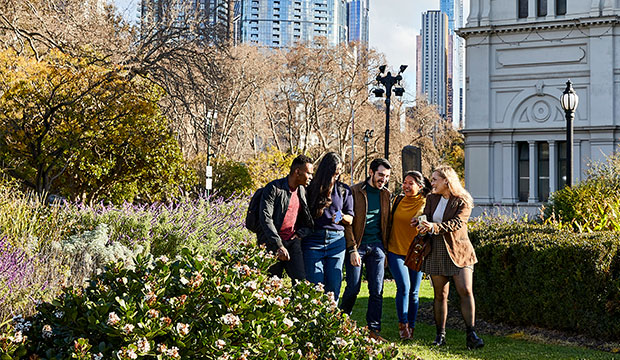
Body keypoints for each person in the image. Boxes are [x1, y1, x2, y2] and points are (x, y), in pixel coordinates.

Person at [413, 165, 484, 349]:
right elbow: (427, 216)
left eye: (435, 179)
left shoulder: (463, 201)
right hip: (436, 250)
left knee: (466, 290)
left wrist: (433, 227)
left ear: (446, 180)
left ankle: (471, 334)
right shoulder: (431, 198)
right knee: (440, 295)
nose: (432, 182)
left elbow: (457, 223)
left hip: (459, 251)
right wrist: (419, 220)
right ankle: (440, 336)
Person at [339, 158, 392, 342]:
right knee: (353, 288)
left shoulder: (386, 195)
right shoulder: (354, 191)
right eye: (380, 175)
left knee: (377, 290)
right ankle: (339, 325)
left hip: (377, 248)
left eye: (386, 177)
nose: (383, 179)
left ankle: (374, 331)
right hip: (358, 246)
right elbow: (347, 224)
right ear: (371, 172)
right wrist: (352, 249)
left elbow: (387, 224)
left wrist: (385, 250)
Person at [386, 171, 431, 340]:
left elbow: (427, 219)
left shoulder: (426, 202)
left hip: (416, 253)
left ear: (420, 186)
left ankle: (412, 326)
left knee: (414, 292)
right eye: (404, 182)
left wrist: (421, 221)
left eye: (410, 183)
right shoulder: (397, 200)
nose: (405, 186)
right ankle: (403, 325)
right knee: (404, 287)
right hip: (395, 250)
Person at [303, 152, 354, 302]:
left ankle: (331, 322)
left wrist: (340, 217)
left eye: (339, 173)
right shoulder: (311, 188)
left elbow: (350, 217)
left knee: (333, 286)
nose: (336, 177)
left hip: (336, 241)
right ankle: (314, 323)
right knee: (315, 286)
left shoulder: (344, 190)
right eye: (334, 173)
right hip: (313, 240)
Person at [258, 155, 314, 282]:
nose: (311, 177)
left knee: (301, 284)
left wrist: (300, 234)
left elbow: (306, 220)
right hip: (271, 244)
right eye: (309, 173)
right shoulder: (273, 188)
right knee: (270, 285)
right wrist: (278, 245)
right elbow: (265, 218)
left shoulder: (302, 190)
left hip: (292, 242)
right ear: (297, 172)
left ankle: (296, 303)